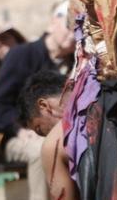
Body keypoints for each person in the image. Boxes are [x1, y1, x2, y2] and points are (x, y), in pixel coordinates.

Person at [0, 0, 75, 200]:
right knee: (41, 149)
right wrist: (20, 130)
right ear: (53, 22)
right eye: (68, 24)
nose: (72, 34)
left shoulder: (78, 60)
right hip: (18, 136)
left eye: (77, 27)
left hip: (63, 132)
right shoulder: (21, 55)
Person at [19, 70, 76, 200]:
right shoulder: (110, 92)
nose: (45, 136)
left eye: (39, 129)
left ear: (44, 105)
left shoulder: (53, 145)